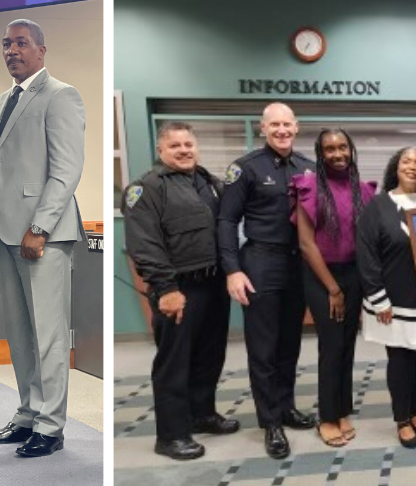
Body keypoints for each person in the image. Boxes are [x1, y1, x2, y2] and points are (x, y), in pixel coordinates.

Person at [0, 19, 86, 458]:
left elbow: (66, 170)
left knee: (49, 335)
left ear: (41, 50)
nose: (11, 50)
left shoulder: (61, 95)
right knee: (20, 333)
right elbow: (2, 166)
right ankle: (27, 414)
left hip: (42, 236)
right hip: (3, 233)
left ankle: (51, 426)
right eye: (6, 44)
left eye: (21, 43)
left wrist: (39, 227)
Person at [123, 122, 239, 461]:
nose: (184, 150)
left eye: (188, 144)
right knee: (174, 363)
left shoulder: (210, 183)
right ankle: (171, 435)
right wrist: (166, 289)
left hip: (213, 284)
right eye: (175, 145)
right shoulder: (146, 188)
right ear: (161, 150)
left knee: (209, 356)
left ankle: (202, 414)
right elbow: (144, 245)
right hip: (178, 288)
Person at [218, 102, 318, 459]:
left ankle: (286, 406)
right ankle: (271, 422)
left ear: (296, 126)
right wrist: (232, 270)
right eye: (274, 125)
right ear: (263, 128)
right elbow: (227, 221)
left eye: (287, 124)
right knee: (264, 347)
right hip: (260, 261)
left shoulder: (309, 167)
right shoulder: (245, 168)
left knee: (290, 343)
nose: (281, 130)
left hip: (298, 264)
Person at [357, 147, 416, 449]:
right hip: (392, 299)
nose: (412, 167)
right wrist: (378, 298)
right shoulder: (378, 205)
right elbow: (367, 255)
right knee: (399, 358)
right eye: (406, 161)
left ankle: (414, 411)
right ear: (395, 168)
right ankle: (401, 419)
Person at [291, 128, 376, 447]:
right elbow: (306, 244)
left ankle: (342, 411)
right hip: (321, 277)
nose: (338, 154)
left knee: (347, 345)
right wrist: (333, 289)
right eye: (330, 149)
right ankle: (327, 417)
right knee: (331, 346)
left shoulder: (363, 190)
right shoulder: (310, 187)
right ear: (320, 153)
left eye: (343, 147)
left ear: (351, 150)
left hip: (353, 275)